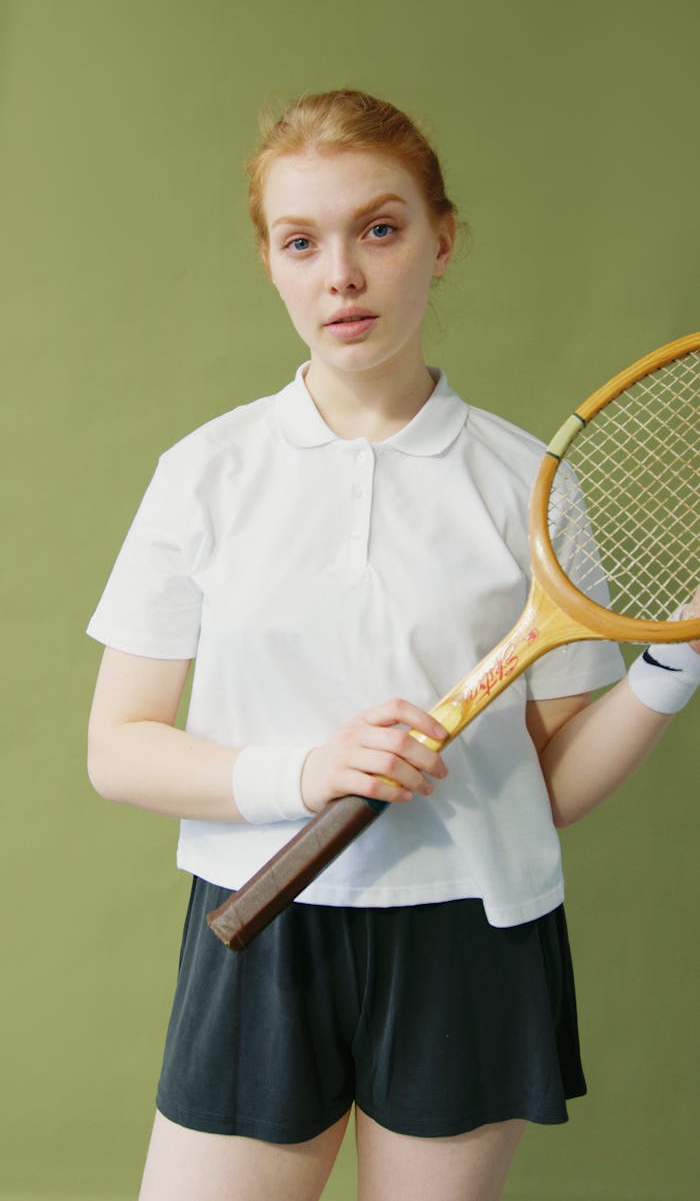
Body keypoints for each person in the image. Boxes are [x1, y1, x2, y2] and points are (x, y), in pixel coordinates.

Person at [86, 89, 700, 1201]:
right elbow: (117, 747)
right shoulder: (205, 471)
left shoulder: (529, 482)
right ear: (269, 261)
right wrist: (306, 771)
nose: (342, 276)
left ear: (441, 237)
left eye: (379, 227)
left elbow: (552, 782)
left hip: (472, 933)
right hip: (260, 923)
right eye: (300, 240)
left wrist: (677, 660)